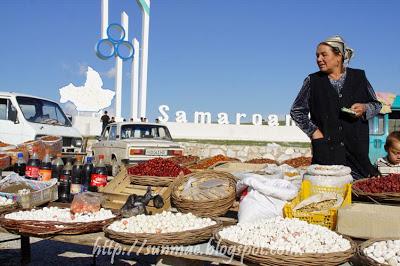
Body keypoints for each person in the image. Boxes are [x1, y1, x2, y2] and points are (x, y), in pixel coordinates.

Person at [290, 35, 382, 179]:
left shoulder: (359, 77)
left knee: (362, 188)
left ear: (338, 56)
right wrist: (314, 132)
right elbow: (297, 111)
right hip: (326, 148)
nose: (319, 59)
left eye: (324, 55)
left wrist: (364, 108)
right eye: (317, 55)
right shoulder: (312, 81)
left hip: (356, 150)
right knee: (328, 187)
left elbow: (376, 105)